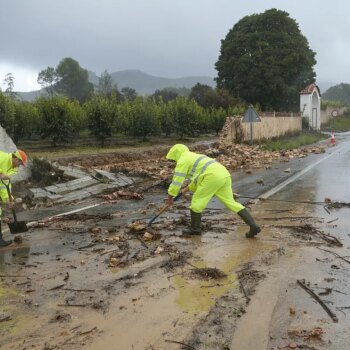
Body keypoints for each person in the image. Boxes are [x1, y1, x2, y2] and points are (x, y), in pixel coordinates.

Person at [165, 144, 260, 238]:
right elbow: (199, 177)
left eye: (173, 159)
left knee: (197, 203)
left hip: (212, 177)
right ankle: (253, 226)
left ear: (176, 154)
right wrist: (187, 188)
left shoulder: (182, 161)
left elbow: (177, 181)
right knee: (231, 202)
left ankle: (195, 229)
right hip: (224, 174)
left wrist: (170, 197)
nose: (174, 161)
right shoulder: (195, 156)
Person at [0, 149, 27, 247]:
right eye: (20, 163)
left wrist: (8, 199)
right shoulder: (2, 157)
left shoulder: (11, 169)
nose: (19, 166)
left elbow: (4, 186)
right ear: (16, 159)